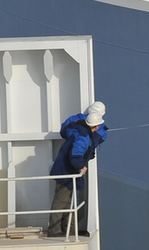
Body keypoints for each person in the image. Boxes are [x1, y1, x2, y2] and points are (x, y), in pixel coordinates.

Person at [46, 101, 107, 238]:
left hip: (67, 170)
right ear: (96, 126)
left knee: (69, 202)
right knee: (61, 201)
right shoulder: (84, 137)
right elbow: (76, 155)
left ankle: (69, 230)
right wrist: (81, 167)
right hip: (67, 172)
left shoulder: (78, 128)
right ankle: (55, 230)